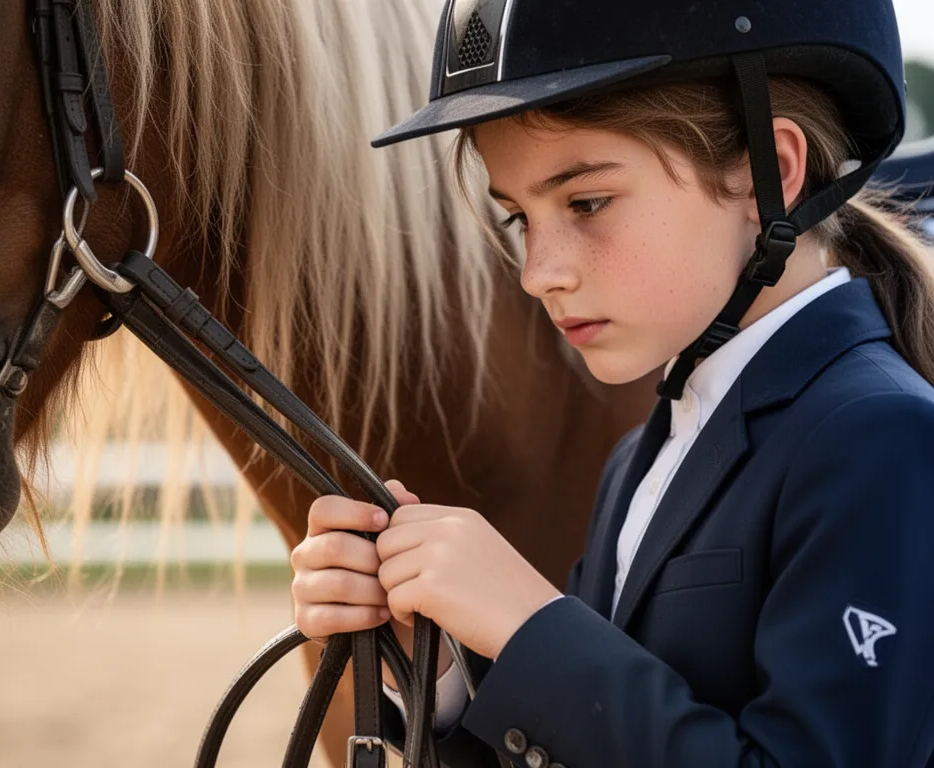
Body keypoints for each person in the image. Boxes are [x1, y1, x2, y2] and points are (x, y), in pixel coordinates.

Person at [289, 1, 934, 765]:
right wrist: (436, 667)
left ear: (774, 175)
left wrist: (532, 625)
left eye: (586, 202)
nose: (538, 274)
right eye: (521, 220)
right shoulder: (639, 458)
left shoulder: (881, 437)